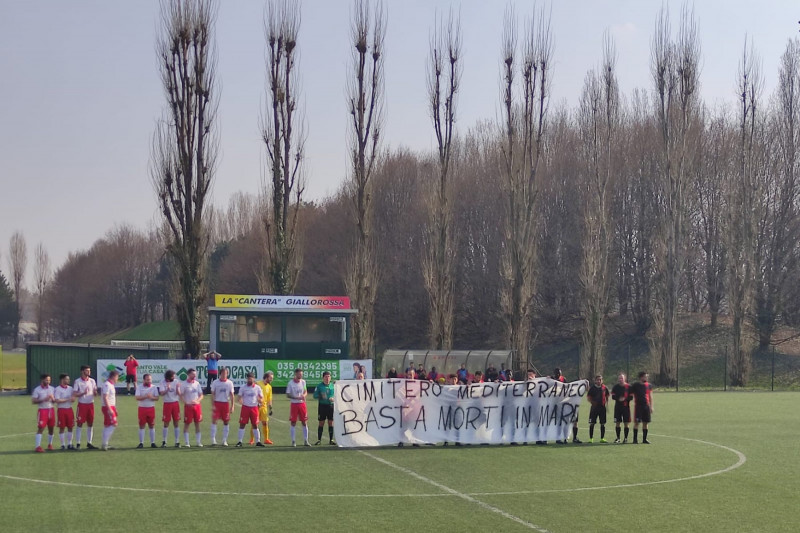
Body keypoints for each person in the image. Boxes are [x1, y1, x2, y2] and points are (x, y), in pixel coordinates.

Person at [73, 365, 99, 450]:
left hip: (90, 404)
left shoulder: (92, 381)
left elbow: (95, 392)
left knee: (90, 424)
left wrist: (95, 393)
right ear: (82, 371)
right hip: (82, 405)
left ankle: (89, 442)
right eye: (87, 370)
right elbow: (75, 394)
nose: (89, 372)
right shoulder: (77, 381)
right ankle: (78, 443)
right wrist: (82, 393)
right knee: (80, 423)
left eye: (89, 370)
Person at [236, 372, 264, 447]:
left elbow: (261, 398)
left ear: (253, 378)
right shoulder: (243, 387)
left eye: (251, 378)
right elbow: (239, 397)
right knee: (242, 424)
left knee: (255, 424)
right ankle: (239, 441)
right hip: (245, 407)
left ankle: (258, 441)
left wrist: (260, 400)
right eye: (248, 378)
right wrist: (240, 400)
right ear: (247, 379)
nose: (250, 380)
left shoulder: (257, 388)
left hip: (254, 408)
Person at [210, 367, 235, 446]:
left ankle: (224, 440)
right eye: (223, 373)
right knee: (214, 421)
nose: (224, 375)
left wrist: (232, 406)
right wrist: (213, 404)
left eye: (226, 373)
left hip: (225, 404)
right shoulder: (215, 382)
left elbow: (232, 395)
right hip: (217, 403)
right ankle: (213, 440)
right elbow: (212, 394)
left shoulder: (230, 383)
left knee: (226, 421)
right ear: (220, 374)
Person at [32, 373, 56, 452]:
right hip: (42, 411)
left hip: (51, 410)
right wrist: (43, 399)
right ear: (42, 380)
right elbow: (34, 401)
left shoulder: (52, 388)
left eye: (49, 380)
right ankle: (37, 446)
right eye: (47, 380)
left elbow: (54, 401)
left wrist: (53, 399)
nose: (48, 381)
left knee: (51, 428)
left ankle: (50, 444)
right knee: (41, 428)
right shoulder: (37, 389)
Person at [286, 367, 310, 447]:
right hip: (294, 404)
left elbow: (305, 391)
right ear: (295, 374)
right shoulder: (290, 383)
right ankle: (293, 441)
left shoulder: (303, 382)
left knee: (304, 422)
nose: (300, 376)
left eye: (301, 374)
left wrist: (304, 395)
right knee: (293, 422)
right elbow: (288, 394)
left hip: (302, 404)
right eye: (299, 374)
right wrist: (296, 397)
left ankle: (306, 440)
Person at [180, 368, 204, 447]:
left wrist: (197, 401)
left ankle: (198, 442)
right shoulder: (183, 384)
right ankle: (187, 442)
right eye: (193, 374)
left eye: (195, 374)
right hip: (188, 407)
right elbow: (181, 395)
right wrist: (186, 403)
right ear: (188, 374)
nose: (194, 376)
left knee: (197, 424)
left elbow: (201, 395)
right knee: (187, 424)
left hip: (197, 407)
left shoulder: (197, 384)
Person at [135, 373, 160, 448]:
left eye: (150, 379)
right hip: (142, 408)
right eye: (147, 379)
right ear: (144, 380)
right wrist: (146, 396)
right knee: (141, 425)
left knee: (152, 425)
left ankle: (152, 442)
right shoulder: (139, 387)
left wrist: (151, 397)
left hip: (151, 408)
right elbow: (137, 397)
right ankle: (141, 443)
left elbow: (157, 398)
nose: (149, 381)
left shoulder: (154, 387)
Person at [159, 369, 182, 448]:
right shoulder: (162, 382)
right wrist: (167, 389)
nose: (174, 377)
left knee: (176, 423)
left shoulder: (176, 382)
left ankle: (177, 441)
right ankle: (164, 441)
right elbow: (161, 393)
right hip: (167, 404)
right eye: (173, 376)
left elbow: (179, 393)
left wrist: (178, 389)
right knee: (166, 423)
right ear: (168, 377)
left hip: (175, 403)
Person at [630, 371, 654, 444]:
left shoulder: (649, 385)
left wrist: (651, 406)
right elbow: (630, 394)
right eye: (645, 376)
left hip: (646, 406)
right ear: (641, 377)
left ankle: (644, 439)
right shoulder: (635, 385)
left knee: (645, 423)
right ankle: (635, 439)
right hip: (638, 406)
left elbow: (650, 396)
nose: (646, 378)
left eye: (647, 376)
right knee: (637, 423)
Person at [313, 371, 336, 445]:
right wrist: (321, 396)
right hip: (322, 406)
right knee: (321, 422)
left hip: (331, 406)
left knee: (331, 422)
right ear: (323, 378)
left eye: (329, 376)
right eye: (326, 377)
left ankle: (331, 440)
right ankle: (319, 440)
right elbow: (314, 396)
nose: (327, 378)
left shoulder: (333, 386)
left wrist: (333, 398)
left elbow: (337, 395)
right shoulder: (319, 386)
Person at [54, 373, 75, 450]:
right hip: (61, 410)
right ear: (62, 380)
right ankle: (63, 444)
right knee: (62, 427)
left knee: (70, 426)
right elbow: (57, 400)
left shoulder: (70, 388)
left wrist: (72, 399)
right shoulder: (57, 389)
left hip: (69, 409)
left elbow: (73, 399)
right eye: (67, 379)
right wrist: (68, 399)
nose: (68, 380)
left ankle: (70, 444)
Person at [587, 375, 610, 444]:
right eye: (597, 380)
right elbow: (588, 397)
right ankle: (591, 438)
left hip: (602, 408)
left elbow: (607, 395)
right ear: (595, 380)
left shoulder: (604, 388)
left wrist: (606, 403)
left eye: (600, 380)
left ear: (602, 380)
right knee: (592, 423)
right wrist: (592, 402)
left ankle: (602, 438)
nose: (599, 381)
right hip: (594, 408)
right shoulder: (592, 388)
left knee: (602, 423)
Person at [100, 370, 119, 451]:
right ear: (114, 376)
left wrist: (114, 408)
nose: (117, 379)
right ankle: (105, 444)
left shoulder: (111, 385)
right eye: (117, 377)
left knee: (107, 425)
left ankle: (105, 444)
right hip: (108, 407)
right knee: (113, 424)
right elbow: (105, 397)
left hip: (111, 406)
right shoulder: (107, 385)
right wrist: (109, 409)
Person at [611, 373, 632, 443]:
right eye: (619, 378)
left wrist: (625, 399)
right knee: (617, 422)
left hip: (626, 408)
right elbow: (613, 396)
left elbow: (631, 397)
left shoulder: (628, 387)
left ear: (624, 379)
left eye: (622, 378)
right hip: (617, 407)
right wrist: (618, 398)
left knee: (626, 423)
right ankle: (618, 438)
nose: (620, 379)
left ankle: (625, 438)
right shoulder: (615, 387)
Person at [255, 371, 274, 445]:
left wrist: (270, 408)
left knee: (265, 423)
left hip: (264, 407)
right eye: (271, 378)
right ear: (266, 377)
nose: (271, 380)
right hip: (256, 406)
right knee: (255, 423)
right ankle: (252, 439)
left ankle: (266, 439)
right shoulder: (258, 384)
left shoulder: (269, 387)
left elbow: (269, 398)